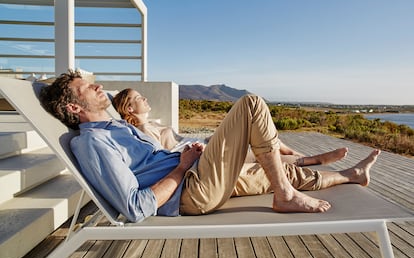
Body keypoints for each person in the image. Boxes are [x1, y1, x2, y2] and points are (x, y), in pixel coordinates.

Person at [39, 70, 381, 223]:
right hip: (192, 190)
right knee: (250, 105)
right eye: (87, 87)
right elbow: (135, 206)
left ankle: (352, 176)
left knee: (280, 170)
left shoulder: (114, 127)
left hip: (196, 173)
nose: (98, 86)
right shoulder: (94, 143)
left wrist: (187, 158)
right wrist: (181, 166)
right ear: (73, 107)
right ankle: (285, 196)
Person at [111, 88, 349, 166]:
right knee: (257, 154)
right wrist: (192, 150)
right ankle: (309, 160)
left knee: (256, 134)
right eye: (139, 98)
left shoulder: (152, 124)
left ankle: (299, 156)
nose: (145, 99)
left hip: (203, 145)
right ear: (130, 109)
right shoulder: (141, 133)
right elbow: (163, 158)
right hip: (201, 155)